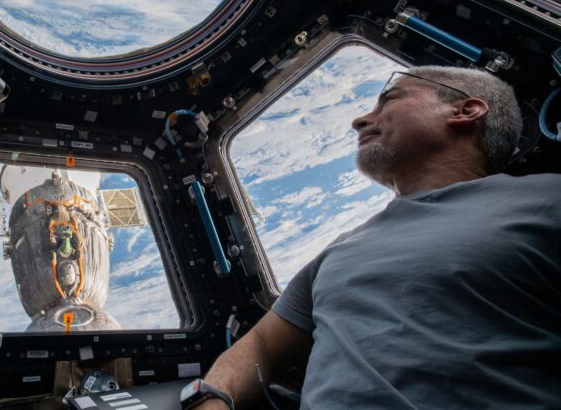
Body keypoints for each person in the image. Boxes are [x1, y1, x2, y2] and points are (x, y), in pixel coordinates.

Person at [195, 66, 561, 409]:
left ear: (465, 111)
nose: (359, 120)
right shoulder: (340, 249)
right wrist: (212, 397)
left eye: (390, 99)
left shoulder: (547, 199)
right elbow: (260, 345)